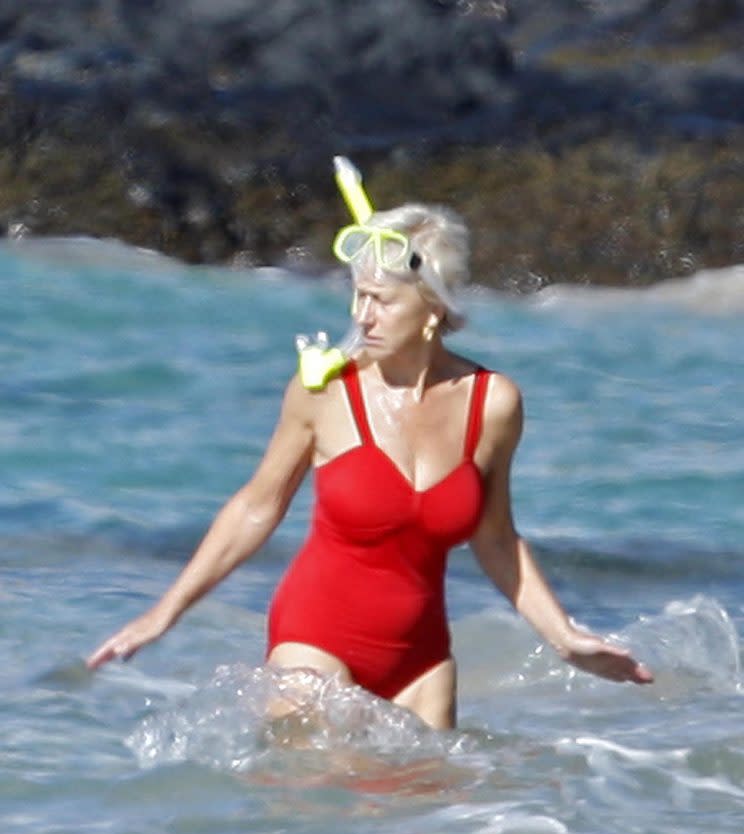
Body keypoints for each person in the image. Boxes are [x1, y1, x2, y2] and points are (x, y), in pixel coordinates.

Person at [87, 190, 653, 728]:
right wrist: (165, 612)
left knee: (435, 818)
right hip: (314, 643)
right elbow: (257, 508)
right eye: (357, 295)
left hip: (422, 662)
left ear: (432, 305)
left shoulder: (493, 403)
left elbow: (497, 538)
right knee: (316, 812)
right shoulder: (325, 392)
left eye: (381, 300)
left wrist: (563, 638)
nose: (362, 316)